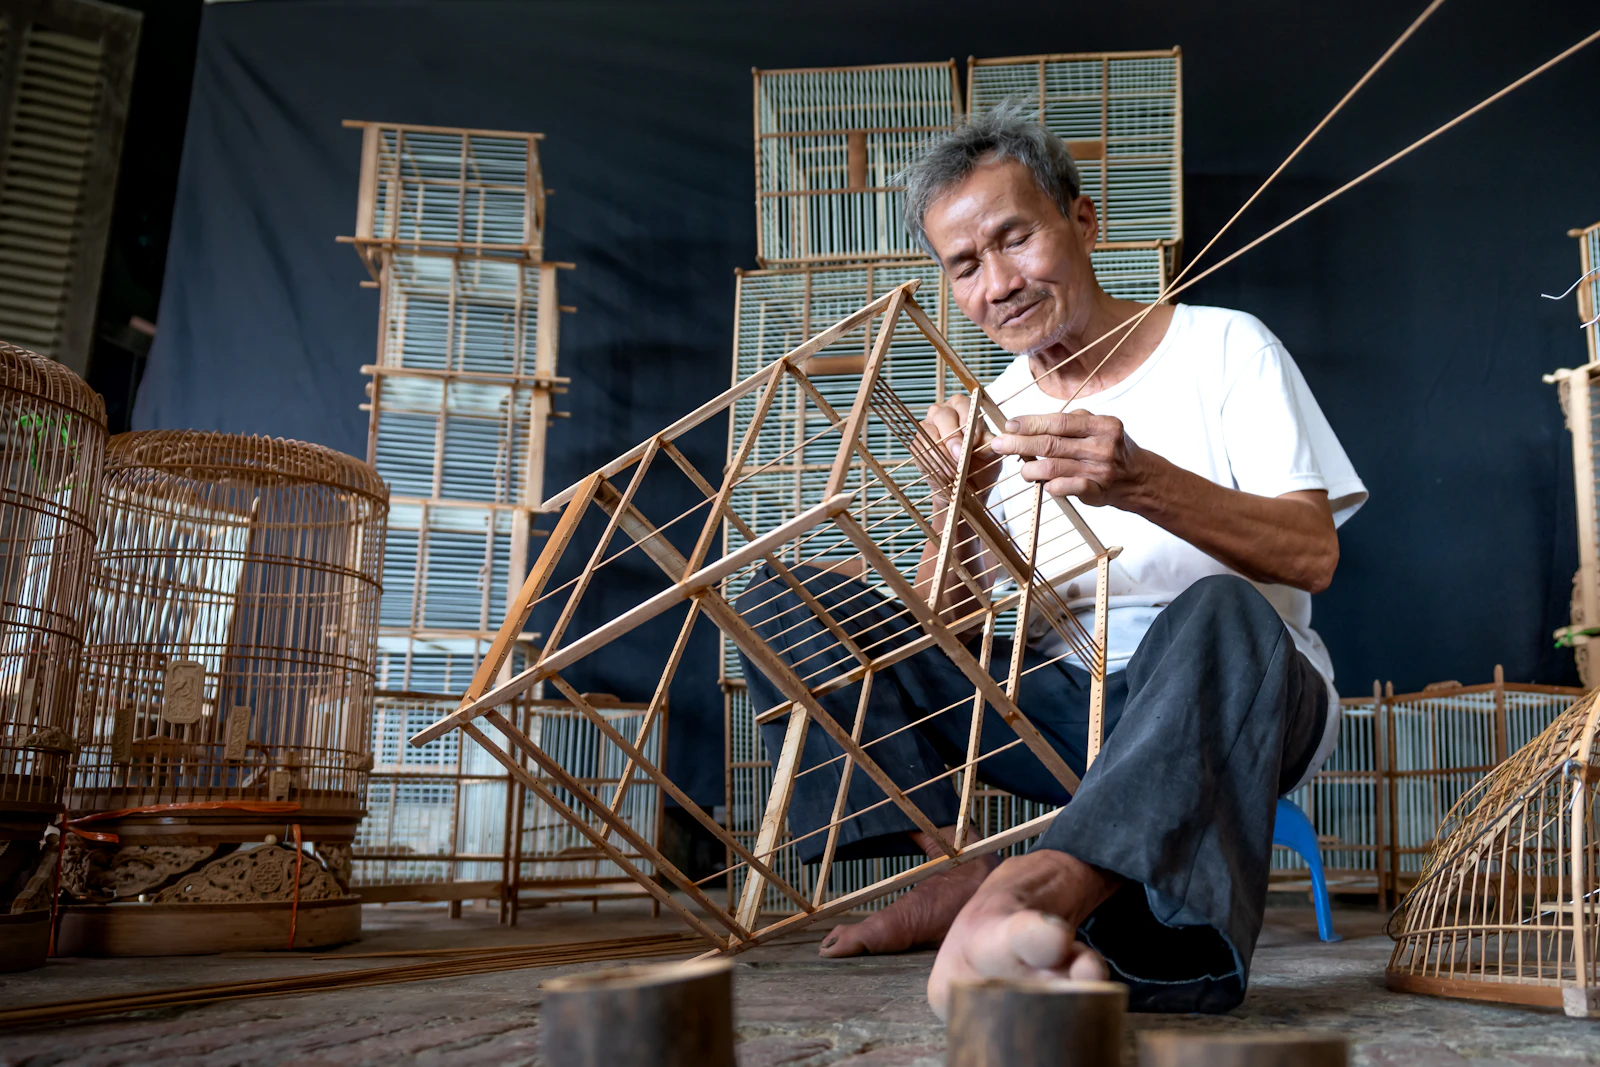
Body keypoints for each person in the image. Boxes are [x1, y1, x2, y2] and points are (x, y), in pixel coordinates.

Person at [735, 106, 1366, 1017]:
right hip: (1070, 714)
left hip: (1236, 700)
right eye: (964, 264)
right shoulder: (993, 408)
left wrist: (1141, 479)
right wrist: (955, 508)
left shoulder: (1226, 347)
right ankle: (955, 869)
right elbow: (936, 641)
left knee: (1223, 606)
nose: (998, 282)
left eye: (1014, 237)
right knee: (782, 597)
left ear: (1084, 218)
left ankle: (1041, 891)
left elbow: (1314, 555)